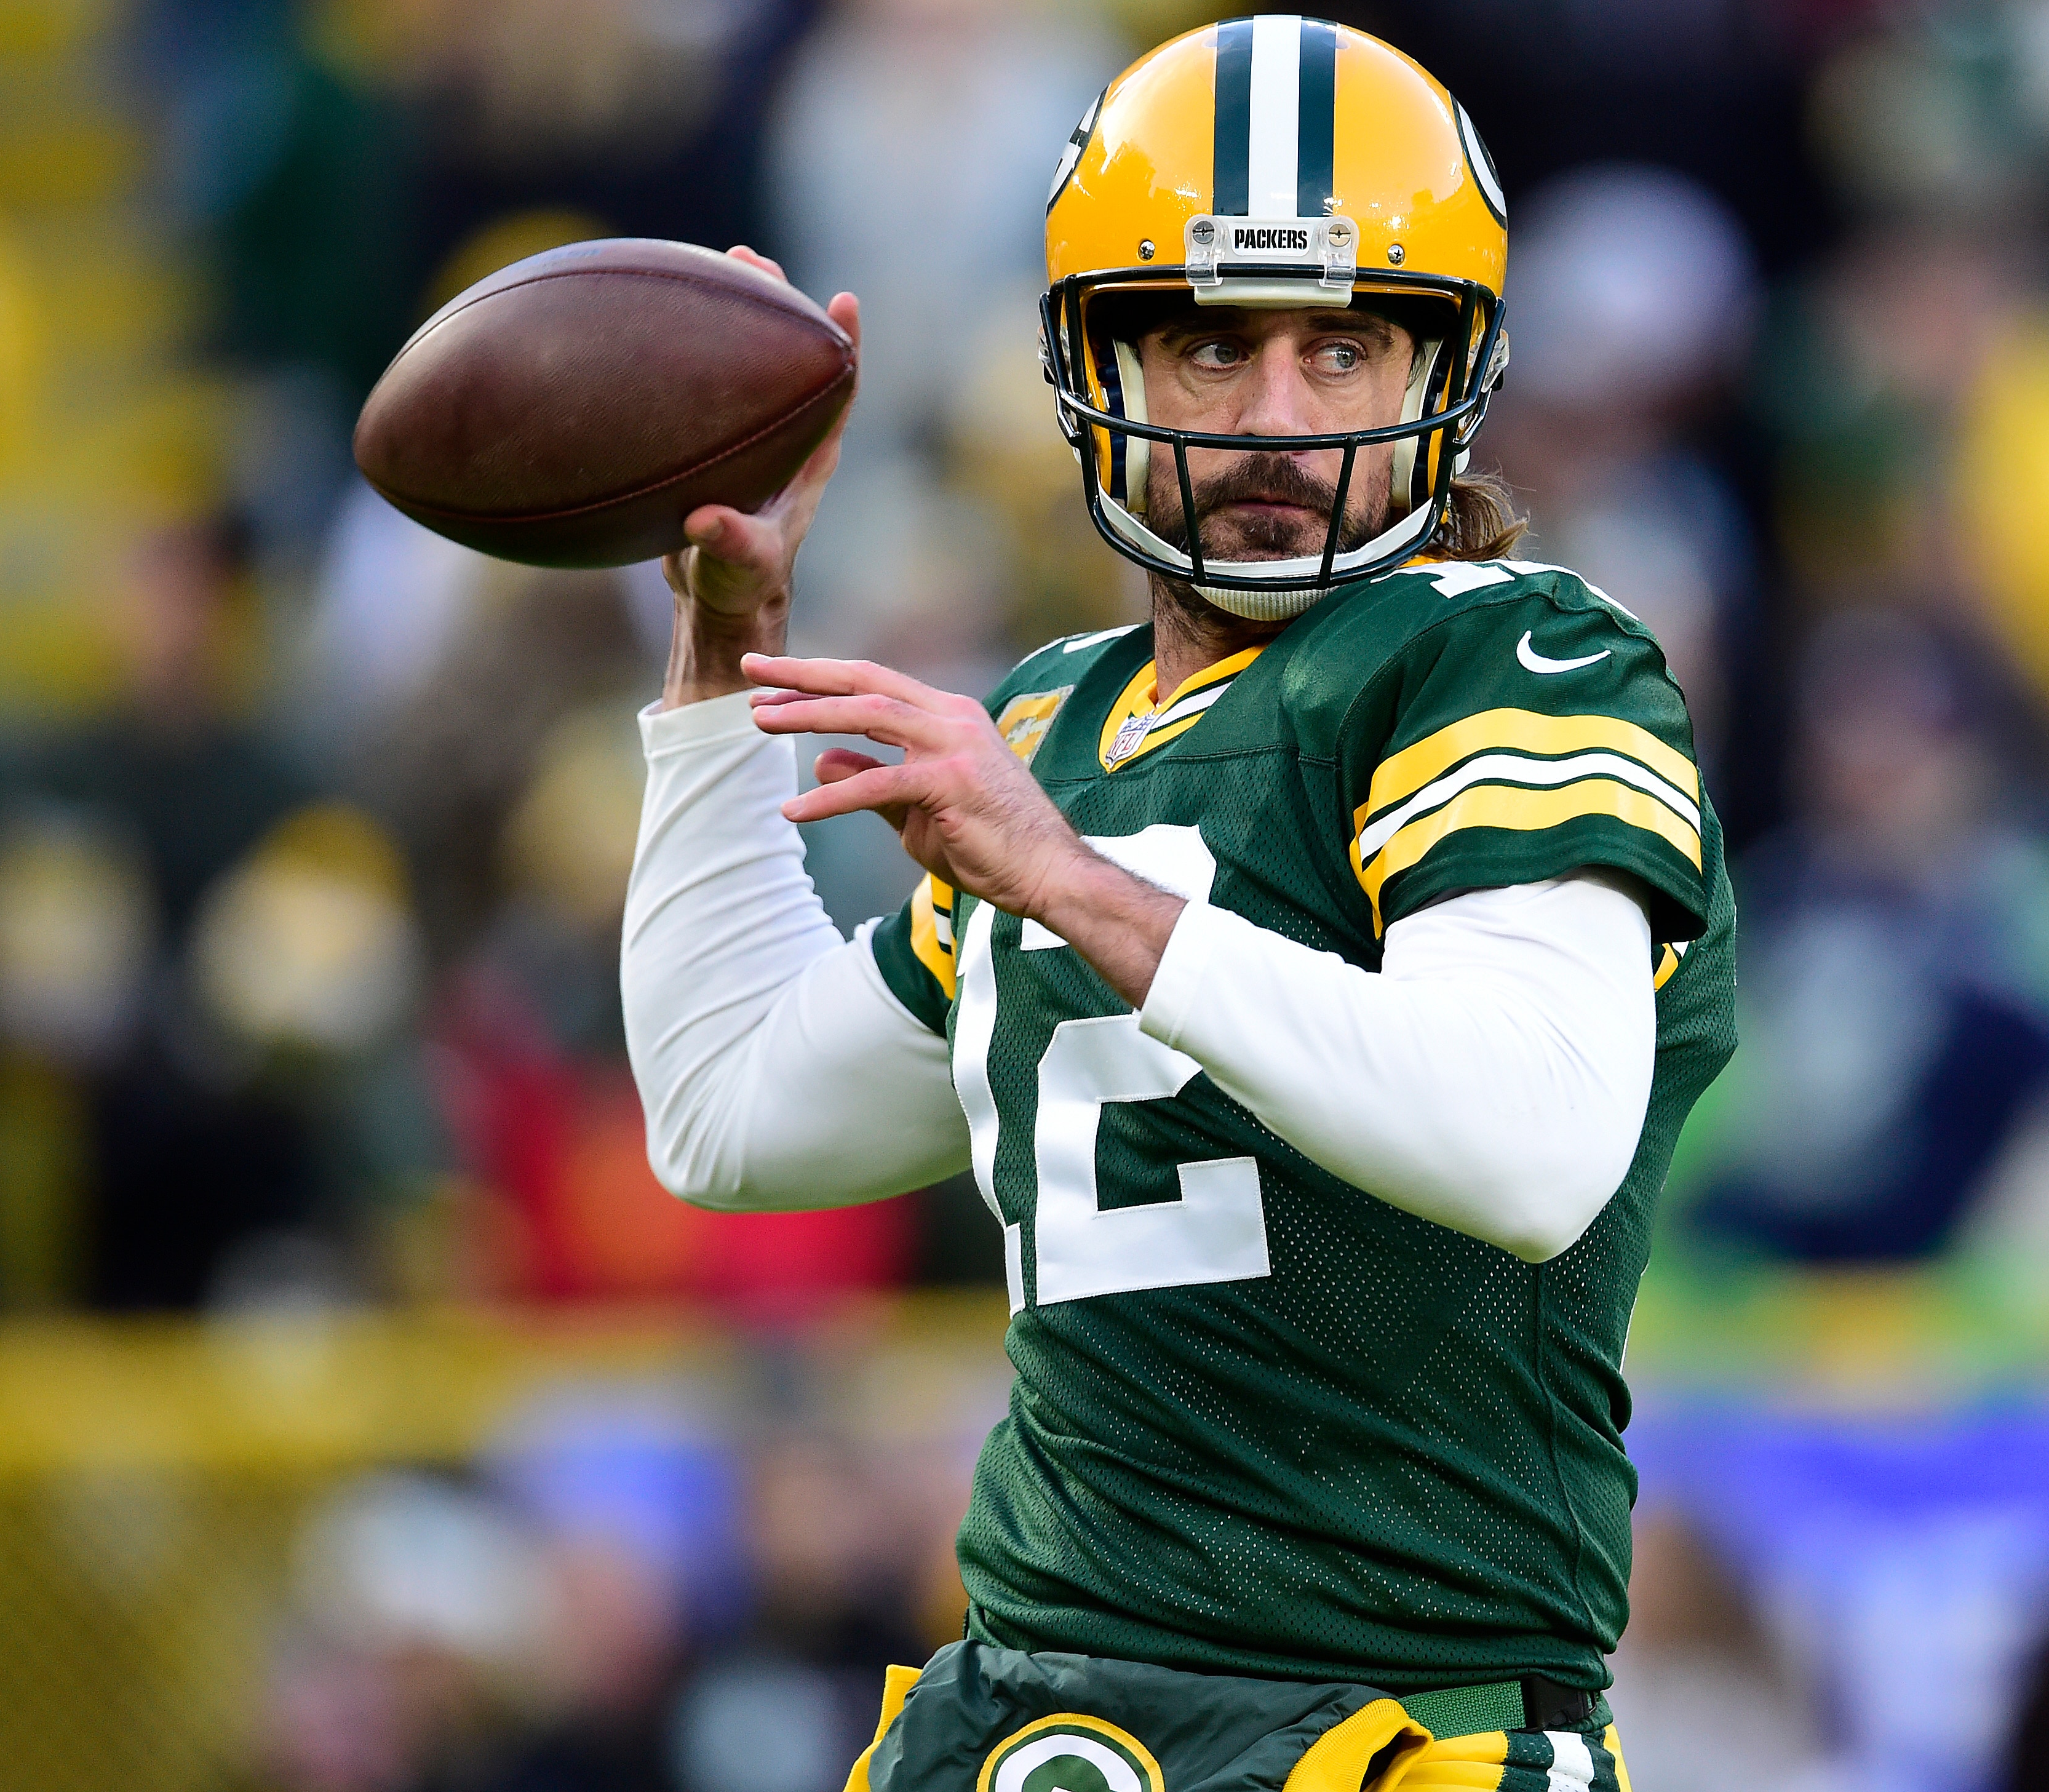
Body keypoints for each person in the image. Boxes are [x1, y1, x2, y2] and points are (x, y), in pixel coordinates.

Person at [619, 18, 1737, 1790]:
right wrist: (717, 667)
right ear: (1096, 364)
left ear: (1443, 365)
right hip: (1045, 1726)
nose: (1276, 419)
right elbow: (729, 1110)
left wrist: (1068, 882)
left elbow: (1527, 1140)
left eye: (1343, 345)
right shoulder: (1057, 723)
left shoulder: (1512, 658)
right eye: (1211, 347)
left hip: (1386, 1726)